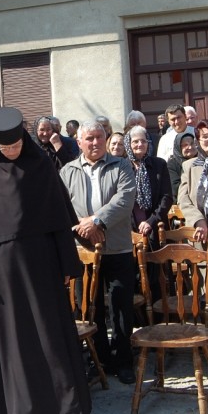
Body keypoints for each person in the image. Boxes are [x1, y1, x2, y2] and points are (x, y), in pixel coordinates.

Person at [0, 107, 91, 414]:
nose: (11, 151)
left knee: (48, 333)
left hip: (42, 268)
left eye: (16, 144)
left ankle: (62, 408)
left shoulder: (42, 167)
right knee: (10, 339)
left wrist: (66, 264)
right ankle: (15, 406)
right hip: (0, 275)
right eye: (5, 147)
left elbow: (61, 220)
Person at [60, 119, 138, 385]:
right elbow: (62, 206)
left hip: (117, 247)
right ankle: (100, 360)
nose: (95, 143)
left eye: (99, 137)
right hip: (83, 251)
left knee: (120, 307)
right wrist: (83, 228)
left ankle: (124, 360)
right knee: (89, 308)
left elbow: (125, 199)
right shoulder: (68, 170)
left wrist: (96, 221)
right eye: (89, 139)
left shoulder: (121, 165)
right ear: (79, 142)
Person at [125, 125, 172, 251]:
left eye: (143, 141)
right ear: (128, 144)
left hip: (156, 226)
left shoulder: (159, 164)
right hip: (129, 228)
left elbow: (166, 197)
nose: (140, 144)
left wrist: (151, 221)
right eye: (135, 141)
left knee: (156, 267)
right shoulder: (122, 167)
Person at [166, 131, 196, 205]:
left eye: (192, 143)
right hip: (180, 202)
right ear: (178, 147)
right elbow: (175, 187)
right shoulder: (172, 164)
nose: (190, 147)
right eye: (185, 145)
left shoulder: (202, 160)